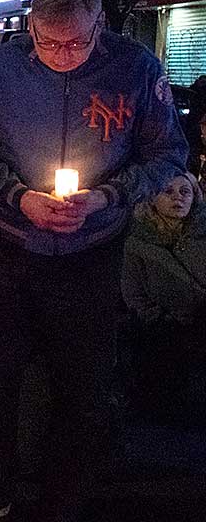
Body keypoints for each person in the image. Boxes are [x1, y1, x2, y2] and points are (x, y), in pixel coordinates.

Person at [0, 0, 188, 522]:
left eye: (76, 42)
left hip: (90, 255)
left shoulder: (136, 69)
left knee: (82, 388)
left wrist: (110, 195)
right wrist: (16, 194)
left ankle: (63, 501)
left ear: (99, 25)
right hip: (4, 248)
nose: (61, 55)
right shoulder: (2, 68)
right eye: (47, 42)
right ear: (30, 28)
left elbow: (168, 153)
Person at [121, 171, 206, 427]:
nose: (177, 198)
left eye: (185, 192)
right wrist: (162, 318)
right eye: (168, 191)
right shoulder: (137, 242)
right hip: (163, 327)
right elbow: (134, 293)